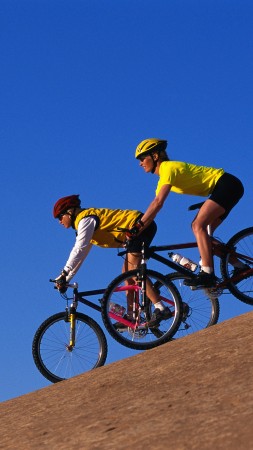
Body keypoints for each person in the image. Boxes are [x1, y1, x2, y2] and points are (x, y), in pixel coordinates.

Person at [134, 138, 245, 288]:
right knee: (204, 237)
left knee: (198, 226)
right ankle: (239, 266)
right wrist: (139, 230)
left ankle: (207, 273)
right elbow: (154, 208)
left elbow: (158, 203)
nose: (140, 163)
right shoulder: (163, 179)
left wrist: (138, 226)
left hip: (226, 185)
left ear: (155, 156)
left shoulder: (167, 168)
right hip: (224, 188)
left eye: (142, 158)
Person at [52, 194, 171, 326]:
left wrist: (64, 273)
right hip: (133, 234)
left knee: (133, 270)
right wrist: (65, 278)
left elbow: (79, 249)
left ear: (69, 212)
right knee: (126, 274)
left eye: (60, 217)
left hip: (139, 226)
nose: (59, 221)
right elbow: (82, 255)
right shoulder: (83, 223)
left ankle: (161, 308)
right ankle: (132, 316)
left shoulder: (85, 220)